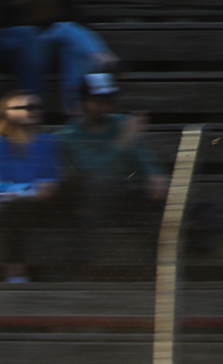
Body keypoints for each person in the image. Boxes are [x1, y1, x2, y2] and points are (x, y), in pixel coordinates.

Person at [55, 72, 164, 269]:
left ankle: (158, 270)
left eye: (109, 101)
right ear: (82, 103)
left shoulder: (121, 123)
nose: (107, 108)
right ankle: (81, 263)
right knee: (99, 184)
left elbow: (145, 160)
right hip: (88, 204)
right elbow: (93, 170)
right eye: (99, 102)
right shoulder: (69, 134)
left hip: (125, 198)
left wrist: (154, 175)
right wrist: (123, 141)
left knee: (171, 200)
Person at [0, 90, 62, 282]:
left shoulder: (48, 141)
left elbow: (52, 176)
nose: (32, 111)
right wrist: (32, 191)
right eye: (23, 107)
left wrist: (48, 188)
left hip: (42, 204)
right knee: (19, 208)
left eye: (36, 107)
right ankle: (15, 271)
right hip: (10, 205)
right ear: (6, 112)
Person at [25, 0, 117, 116]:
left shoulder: (68, 3)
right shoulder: (29, 6)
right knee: (64, 27)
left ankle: (72, 107)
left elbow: (82, 24)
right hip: (41, 50)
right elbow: (29, 31)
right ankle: (101, 55)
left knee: (71, 50)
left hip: (63, 53)